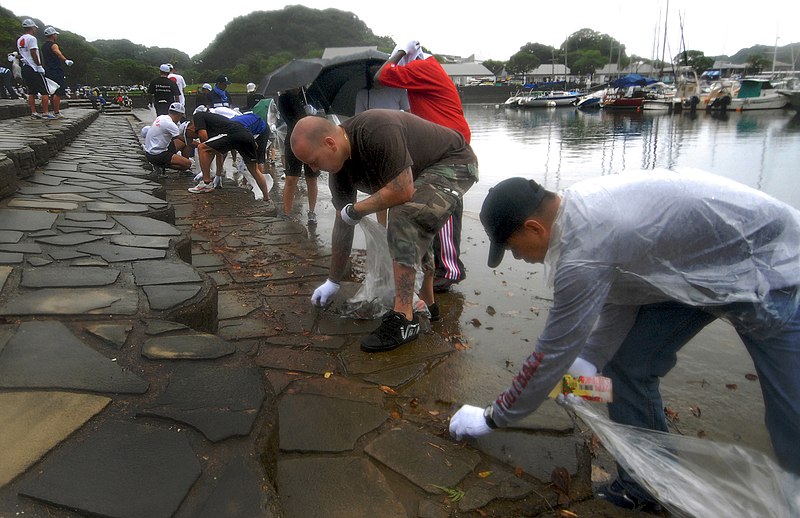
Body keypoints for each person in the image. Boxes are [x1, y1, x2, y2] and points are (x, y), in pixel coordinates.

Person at [448, 170, 800, 511]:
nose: (517, 257)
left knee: (790, 414)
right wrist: (590, 362)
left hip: (775, 265)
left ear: (534, 228)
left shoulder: (582, 253)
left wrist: (494, 417)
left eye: (512, 248)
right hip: (699, 271)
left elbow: (551, 353)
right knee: (627, 365)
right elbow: (626, 295)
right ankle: (645, 488)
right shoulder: (578, 213)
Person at [291, 110, 478, 352]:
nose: (314, 169)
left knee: (405, 215)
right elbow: (342, 221)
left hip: (454, 161)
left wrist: (357, 209)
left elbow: (402, 191)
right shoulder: (339, 172)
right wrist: (333, 281)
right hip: (419, 173)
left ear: (329, 143)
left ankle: (404, 319)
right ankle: (430, 306)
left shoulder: (376, 130)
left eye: (314, 161)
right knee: (413, 220)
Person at [374, 40, 469, 293]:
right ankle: (442, 266)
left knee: (443, 204)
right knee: (438, 202)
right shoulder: (424, 71)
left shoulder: (424, 68)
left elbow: (382, 74)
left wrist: (398, 54)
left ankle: (448, 270)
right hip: (440, 140)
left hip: (448, 143)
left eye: (403, 59)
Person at [185, 110, 277, 214]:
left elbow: (203, 138)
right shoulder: (219, 125)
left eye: (191, 136)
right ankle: (267, 198)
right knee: (254, 170)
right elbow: (220, 153)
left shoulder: (198, 116)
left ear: (190, 127)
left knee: (201, 147)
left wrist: (206, 169)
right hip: (247, 136)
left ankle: (206, 183)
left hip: (239, 135)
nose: (194, 137)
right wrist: (218, 175)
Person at [277, 87, 318, 224]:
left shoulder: (309, 95)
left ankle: (312, 212)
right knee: (291, 178)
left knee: (311, 178)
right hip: (294, 140)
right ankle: (287, 213)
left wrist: (315, 114)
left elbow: (322, 118)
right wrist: (305, 117)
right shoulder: (283, 98)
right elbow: (290, 121)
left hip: (312, 140)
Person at [143, 102, 193, 176]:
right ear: (179, 115)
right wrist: (201, 145)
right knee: (187, 164)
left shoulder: (161, 117)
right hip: (157, 155)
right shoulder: (170, 124)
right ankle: (161, 165)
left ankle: (179, 164)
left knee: (185, 144)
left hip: (150, 152)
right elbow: (185, 139)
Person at [16, 18, 52, 119]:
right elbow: (33, 53)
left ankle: (34, 113)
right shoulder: (32, 39)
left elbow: (22, 54)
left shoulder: (20, 40)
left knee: (31, 91)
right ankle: (45, 113)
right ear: (32, 28)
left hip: (25, 67)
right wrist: (39, 65)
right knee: (44, 91)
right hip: (33, 67)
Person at [41, 26, 74, 118]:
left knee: (50, 91)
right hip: (55, 70)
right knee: (59, 91)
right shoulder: (53, 45)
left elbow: (43, 58)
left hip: (47, 70)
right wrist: (66, 60)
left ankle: (48, 111)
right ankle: (56, 112)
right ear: (53, 35)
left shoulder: (43, 46)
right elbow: (58, 53)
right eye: (55, 34)